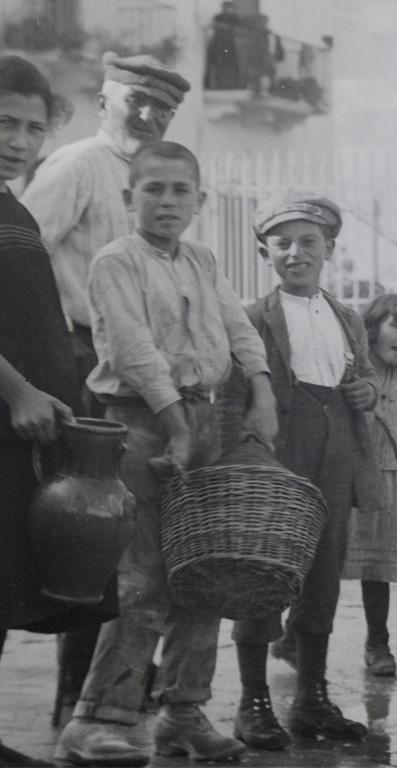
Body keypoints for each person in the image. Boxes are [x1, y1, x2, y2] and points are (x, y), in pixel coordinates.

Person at [54, 141, 277, 767]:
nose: (167, 201)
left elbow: (236, 327)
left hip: (207, 417)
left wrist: (261, 390)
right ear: (129, 200)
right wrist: (176, 427)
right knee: (142, 575)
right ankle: (97, 717)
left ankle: (183, 712)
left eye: (181, 190)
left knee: (201, 571)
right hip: (140, 424)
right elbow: (133, 351)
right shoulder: (114, 261)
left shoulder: (203, 260)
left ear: (200, 200)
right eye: (153, 189)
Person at [20, 52, 190, 721]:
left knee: (134, 530)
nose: (147, 115)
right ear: (105, 100)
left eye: (162, 107)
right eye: (135, 101)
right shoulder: (77, 165)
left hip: (143, 370)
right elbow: (19, 252)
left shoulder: (156, 177)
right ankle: (73, 704)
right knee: (91, 530)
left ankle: (118, 688)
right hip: (82, 359)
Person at [230, 191, 381, 750]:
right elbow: (238, 395)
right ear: (264, 251)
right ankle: (253, 702)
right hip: (278, 456)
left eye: (309, 242)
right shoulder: (251, 318)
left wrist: (366, 391)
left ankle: (311, 699)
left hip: (336, 454)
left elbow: (363, 379)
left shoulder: (347, 317)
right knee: (263, 571)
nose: (296, 253)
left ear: (330, 249)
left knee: (323, 572)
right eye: (282, 243)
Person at [0, 54, 117, 768]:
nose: (16, 139)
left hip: (25, 429)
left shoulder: (13, 207)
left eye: (30, 127)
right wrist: (16, 390)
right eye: (2, 121)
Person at [342, 293, 397, 676]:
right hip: (344, 476)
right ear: (370, 327)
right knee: (326, 561)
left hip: (384, 477)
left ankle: (377, 642)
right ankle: (296, 637)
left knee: (377, 565)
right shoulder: (350, 372)